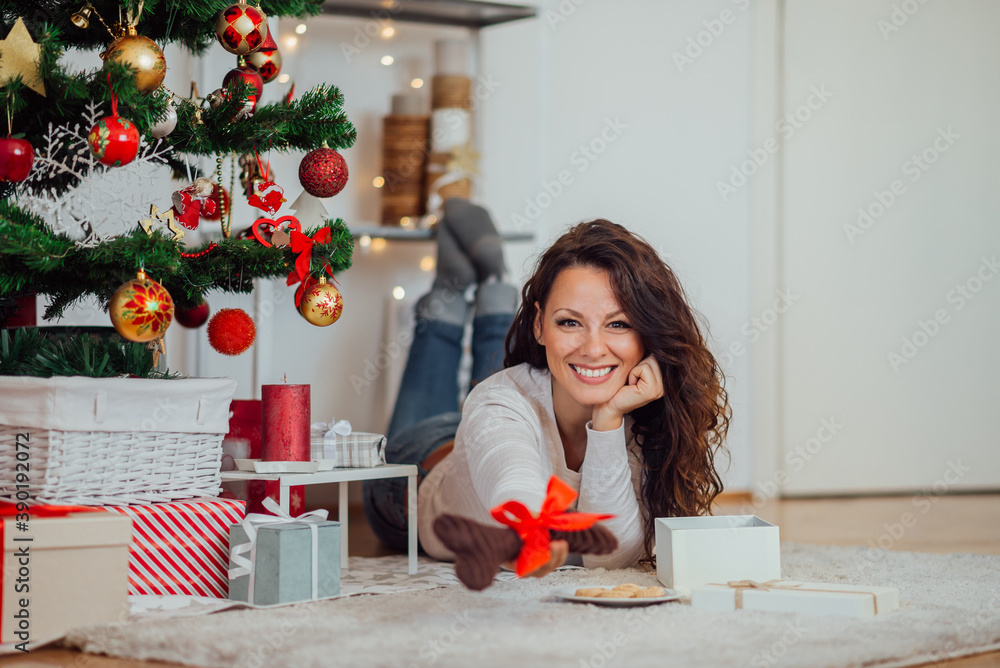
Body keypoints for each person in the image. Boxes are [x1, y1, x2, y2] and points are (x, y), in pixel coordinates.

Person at [363, 200, 731, 575]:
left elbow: (610, 558)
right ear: (538, 323)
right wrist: (527, 533)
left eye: (618, 324)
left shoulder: (647, 411)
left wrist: (608, 420)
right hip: (420, 469)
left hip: (513, 405)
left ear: (647, 334)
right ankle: (452, 291)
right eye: (569, 322)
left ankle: (493, 291)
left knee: (536, 372)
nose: (593, 348)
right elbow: (513, 481)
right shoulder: (498, 400)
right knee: (500, 386)